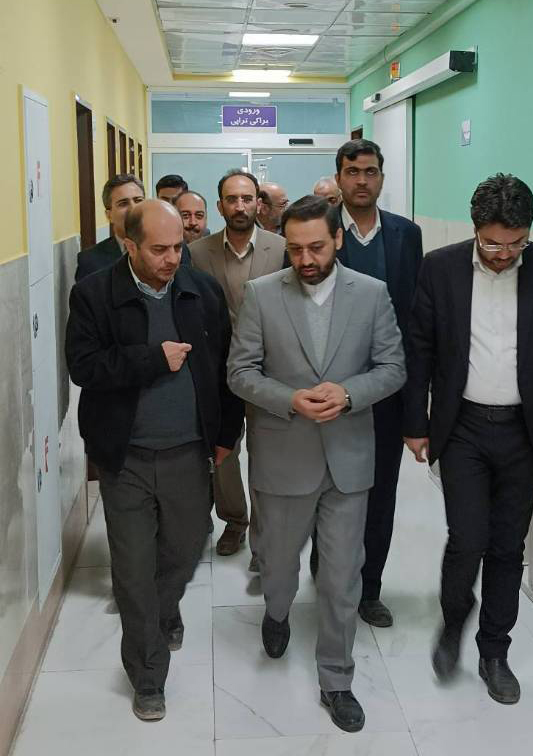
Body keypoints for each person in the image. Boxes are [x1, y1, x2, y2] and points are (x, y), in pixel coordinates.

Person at [228, 195, 406, 733]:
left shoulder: (372, 294)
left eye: (317, 248)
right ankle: (277, 611)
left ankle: (337, 678)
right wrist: (289, 399)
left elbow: (393, 367)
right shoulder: (262, 294)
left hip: (348, 459)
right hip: (284, 457)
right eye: (295, 249)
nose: (306, 259)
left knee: (342, 576)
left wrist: (349, 394)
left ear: (338, 240)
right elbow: (240, 372)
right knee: (278, 565)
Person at [403, 173, 533, 704]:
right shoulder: (440, 268)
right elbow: (420, 349)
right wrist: (416, 424)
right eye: (493, 244)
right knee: (467, 539)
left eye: (516, 243)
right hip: (462, 428)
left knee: (508, 546)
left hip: (523, 432)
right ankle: (454, 619)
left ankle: (494, 652)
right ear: (475, 228)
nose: (504, 255)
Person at [65, 200, 244, 722]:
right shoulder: (94, 294)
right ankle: (148, 674)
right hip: (126, 456)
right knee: (132, 568)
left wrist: (226, 434)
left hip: (189, 449)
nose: (172, 259)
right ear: (129, 246)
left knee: (186, 548)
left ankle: (164, 610)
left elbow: (225, 367)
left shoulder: (201, 290)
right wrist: (151, 358)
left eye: (178, 248)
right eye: (159, 249)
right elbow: (83, 367)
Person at [330, 138, 423, 629]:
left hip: (386, 392)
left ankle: (370, 590)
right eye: (352, 171)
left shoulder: (406, 235)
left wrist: (415, 410)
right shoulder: (320, 228)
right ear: (339, 177)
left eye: (370, 171)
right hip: (330, 391)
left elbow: (414, 322)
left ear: (382, 177)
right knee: (329, 493)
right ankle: (330, 580)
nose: (362, 180)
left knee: (379, 494)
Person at [190, 170, 285, 564]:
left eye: (247, 198)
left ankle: (266, 535)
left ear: (258, 203)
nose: (240, 206)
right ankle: (234, 520)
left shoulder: (281, 249)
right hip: (219, 372)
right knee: (223, 453)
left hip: (268, 371)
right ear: (220, 206)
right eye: (232, 199)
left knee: (267, 453)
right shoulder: (198, 253)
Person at [75, 174, 144, 282]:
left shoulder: (169, 249)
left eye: (138, 200)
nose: (133, 208)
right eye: (123, 203)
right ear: (109, 215)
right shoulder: (90, 261)